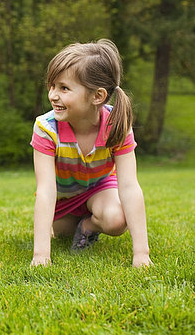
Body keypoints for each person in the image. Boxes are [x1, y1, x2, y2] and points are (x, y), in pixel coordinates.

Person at [30, 39, 152, 268]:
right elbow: (45, 190)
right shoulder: (46, 128)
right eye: (52, 85)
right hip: (63, 200)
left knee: (116, 220)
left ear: (97, 96)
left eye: (64, 88)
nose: (53, 95)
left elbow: (129, 186)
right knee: (61, 235)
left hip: (100, 191)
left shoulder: (117, 125)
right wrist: (41, 255)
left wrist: (141, 254)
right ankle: (77, 225)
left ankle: (90, 226)